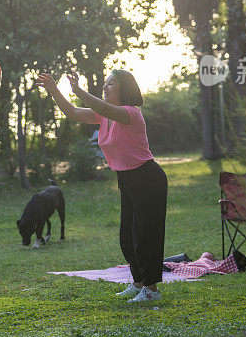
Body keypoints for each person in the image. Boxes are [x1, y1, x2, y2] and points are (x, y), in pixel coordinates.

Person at [36, 70, 168, 303]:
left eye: (111, 83)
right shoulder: (104, 115)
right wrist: (54, 89)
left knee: (145, 236)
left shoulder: (131, 114)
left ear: (123, 89)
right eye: (105, 83)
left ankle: (152, 290)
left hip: (147, 178)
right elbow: (73, 112)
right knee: (127, 237)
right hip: (127, 180)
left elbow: (106, 109)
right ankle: (138, 284)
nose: (105, 87)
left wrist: (78, 90)